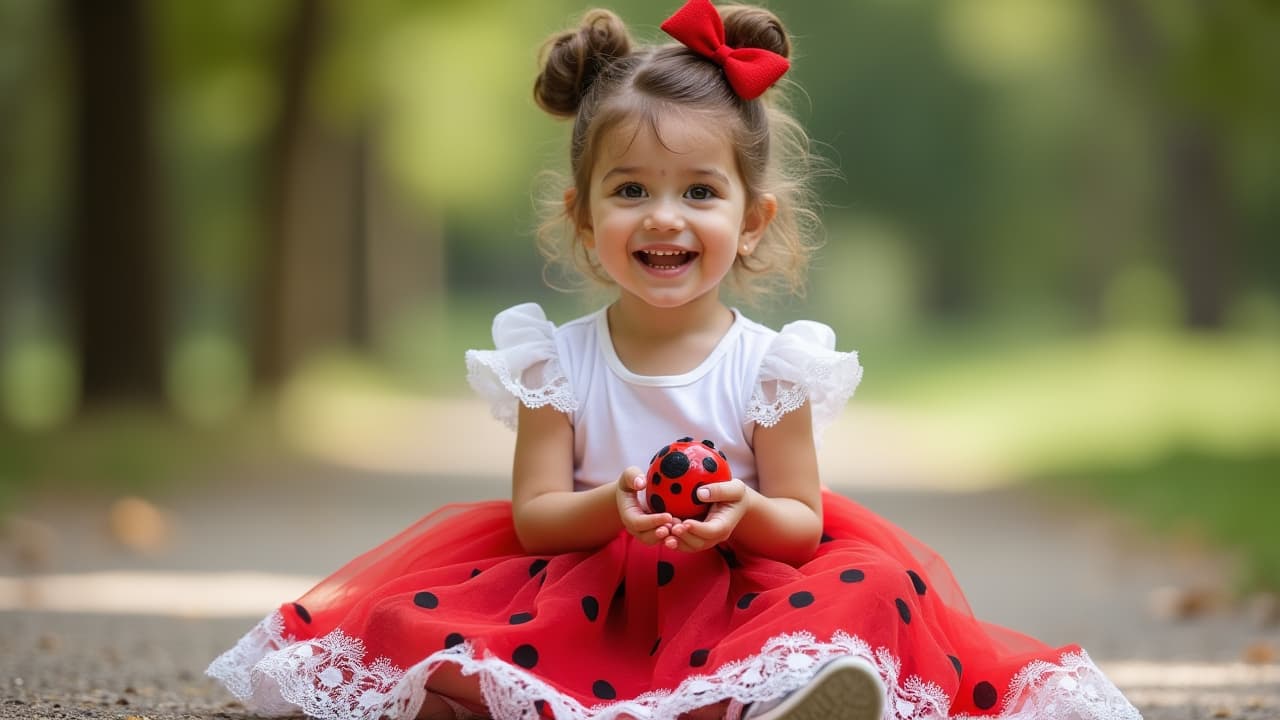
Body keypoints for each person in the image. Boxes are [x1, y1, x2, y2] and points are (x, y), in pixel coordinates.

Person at [208, 1, 1143, 719]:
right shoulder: (554, 362)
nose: (664, 216)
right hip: (586, 595)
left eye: (700, 190)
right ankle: (499, 694)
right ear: (582, 216)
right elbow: (535, 520)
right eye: (629, 191)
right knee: (410, 623)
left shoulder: (773, 367)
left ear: (751, 218)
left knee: (875, 586)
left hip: (736, 588)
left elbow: (802, 524)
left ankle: (786, 690)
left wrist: (740, 514)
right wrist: (608, 506)